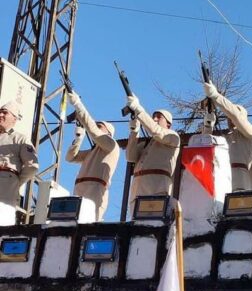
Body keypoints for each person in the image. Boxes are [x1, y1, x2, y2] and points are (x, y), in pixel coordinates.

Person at [65, 92, 120, 220]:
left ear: (109, 133)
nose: (96, 128)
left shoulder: (111, 145)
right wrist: (79, 136)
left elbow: (93, 131)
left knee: (90, 222)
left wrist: (78, 104)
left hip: (95, 189)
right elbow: (70, 157)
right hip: (80, 189)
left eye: (100, 126)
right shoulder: (93, 151)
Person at [125, 96, 180, 210]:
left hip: (156, 189)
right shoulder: (147, 144)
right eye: (153, 117)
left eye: (159, 117)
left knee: (153, 222)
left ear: (168, 124)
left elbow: (156, 131)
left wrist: (138, 109)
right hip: (137, 190)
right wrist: (134, 131)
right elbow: (130, 156)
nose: (154, 119)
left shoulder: (173, 137)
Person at [203, 81, 252, 190]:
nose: (230, 118)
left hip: (240, 180)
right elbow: (204, 147)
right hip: (221, 179)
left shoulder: (251, 133)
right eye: (228, 116)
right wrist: (208, 126)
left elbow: (235, 116)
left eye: (231, 115)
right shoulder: (224, 138)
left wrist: (216, 96)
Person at [0, 101, 38, 208]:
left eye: (5, 113)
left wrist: (15, 182)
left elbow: (32, 166)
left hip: (4, 191)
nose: (0, 115)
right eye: (0, 112)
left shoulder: (20, 139)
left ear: (14, 119)